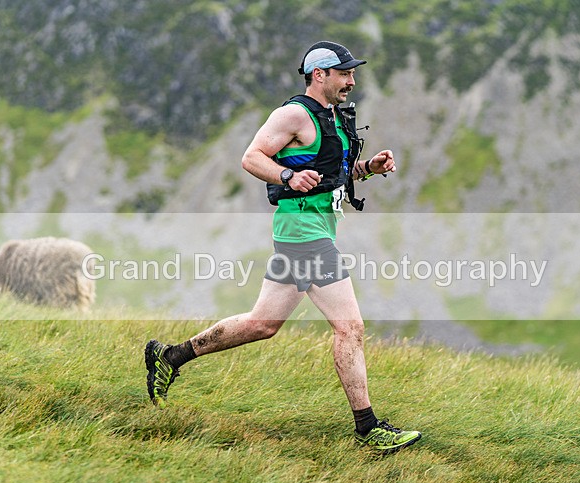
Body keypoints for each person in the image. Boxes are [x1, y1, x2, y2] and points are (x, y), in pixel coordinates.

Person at [144, 41, 421, 454]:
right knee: (350, 327)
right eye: (344, 73)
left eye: (352, 73)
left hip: (315, 227)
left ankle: (170, 357)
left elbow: (333, 176)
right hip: (303, 230)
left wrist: (368, 168)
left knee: (262, 323)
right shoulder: (293, 114)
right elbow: (251, 157)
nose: (352, 80)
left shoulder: (334, 118)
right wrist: (287, 179)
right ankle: (368, 428)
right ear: (319, 75)